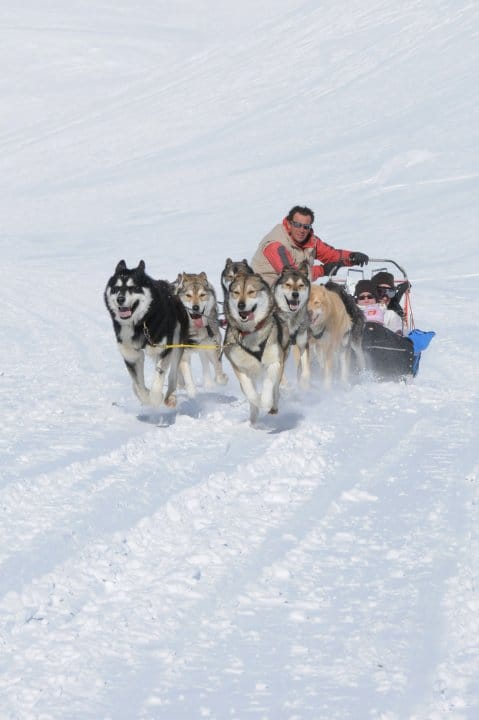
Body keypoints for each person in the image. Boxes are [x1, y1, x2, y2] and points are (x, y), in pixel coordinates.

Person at [251, 205, 369, 286]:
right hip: (265, 292)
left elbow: (331, 255)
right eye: (297, 225)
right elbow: (292, 277)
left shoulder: (310, 241)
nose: (302, 230)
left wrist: (352, 257)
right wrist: (323, 270)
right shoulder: (276, 244)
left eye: (306, 227)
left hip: (290, 294)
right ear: (289, 223)